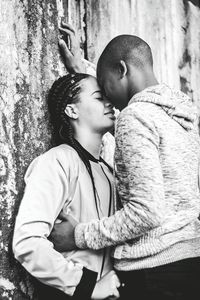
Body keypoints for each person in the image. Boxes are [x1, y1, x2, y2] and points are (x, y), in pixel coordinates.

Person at [51, 22, 200, 299]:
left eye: (104, 88)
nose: (107, 99)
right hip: (189, 260)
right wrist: (83, 71)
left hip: (155, 271)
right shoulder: (180, 113)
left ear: (121, 70)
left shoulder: (135, 116)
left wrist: (78, 235)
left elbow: (147, 212)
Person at [12, 72, 121, 300]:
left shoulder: (109, 172)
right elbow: (27, 241)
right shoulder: (58, 161)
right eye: (99, 97)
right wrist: (86, 286)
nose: (109, 103)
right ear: (71, 110)